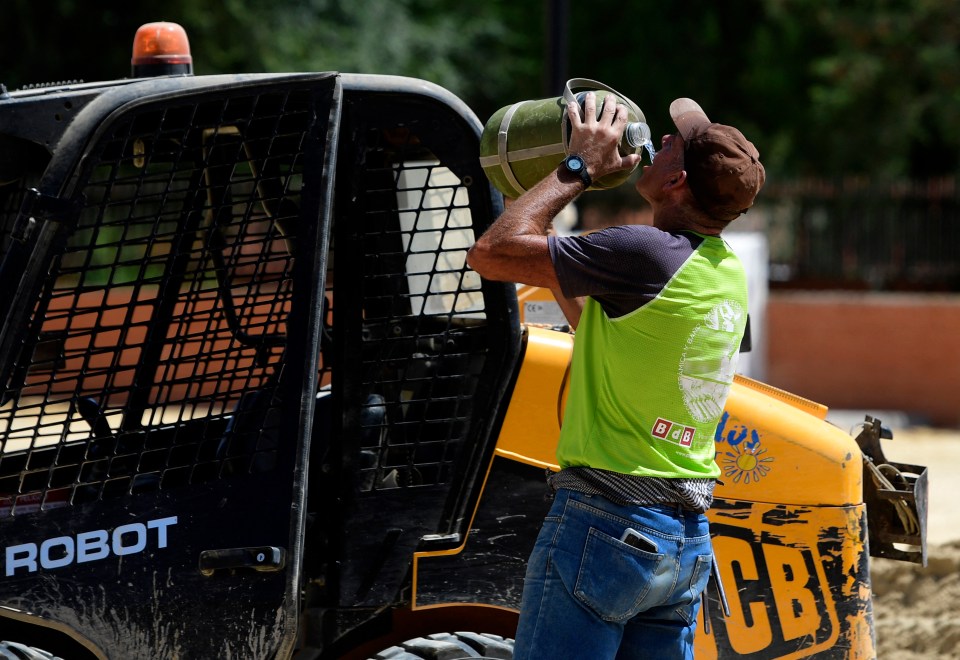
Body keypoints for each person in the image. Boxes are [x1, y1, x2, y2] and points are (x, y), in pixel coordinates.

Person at [466, 91, 764, 659]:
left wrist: (578, 168)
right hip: (682, 542)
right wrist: (533, 196)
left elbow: (490, 255)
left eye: (673, 142)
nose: (661, 138)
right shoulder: (724, 274)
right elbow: (598, 324)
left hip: (607, 525)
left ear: (676, 181)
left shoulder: (646, 252)